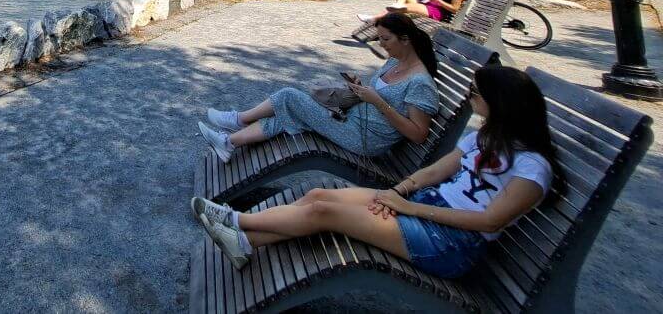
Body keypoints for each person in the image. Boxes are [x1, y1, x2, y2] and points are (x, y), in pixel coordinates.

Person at [191, 65, 559, 277]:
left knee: (324, 212)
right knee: (318, 195)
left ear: (501, 102)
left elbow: (490, 222)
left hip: (449, 243)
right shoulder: (484, 138)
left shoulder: (532, 167)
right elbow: (433, 172)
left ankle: (235, 221)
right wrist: (400, 193)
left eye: (475, 91)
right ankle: (246, 240)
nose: (469, 96)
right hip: (424, 206)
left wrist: (410, 208)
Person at [198, 13, 439, 164]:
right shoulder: (394, 62)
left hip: (363, 140)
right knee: (289, 114)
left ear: (405, 39)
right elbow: (380, 97)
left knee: (289, 97)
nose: (382, 45)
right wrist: (361, 88)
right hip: (350, 122)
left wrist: (377, 101)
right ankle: (229, 142)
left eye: (386, 40)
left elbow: (418, 134)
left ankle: (238, 120)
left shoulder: (420, 83)